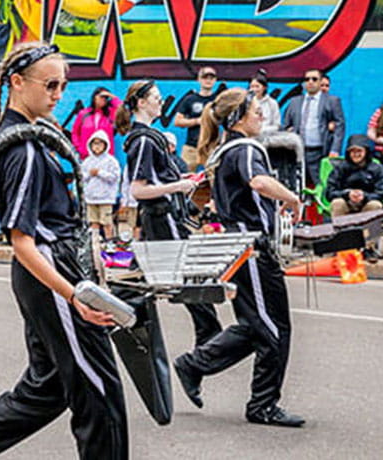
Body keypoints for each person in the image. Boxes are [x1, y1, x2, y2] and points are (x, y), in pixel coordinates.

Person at [0, 41, 127, 460]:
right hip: (51, 272)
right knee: (98, 390)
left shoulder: (33, 137)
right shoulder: (25, 149)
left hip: (55, 269)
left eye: (63, 86)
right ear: (17, 82)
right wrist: (75, 297)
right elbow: (22, 242)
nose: (58, 94)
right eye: (50, 84)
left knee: (49, 387)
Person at [174, 88, 307, 428]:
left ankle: (195, 364)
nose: (261, 115)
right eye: (255, 111)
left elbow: (213, 197)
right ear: (237, 119)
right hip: (251, 249)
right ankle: (261, 404)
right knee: (272, 329)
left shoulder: (224, 151)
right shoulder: (246, 147)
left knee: (257, 326)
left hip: (244, 248)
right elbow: (259, 181)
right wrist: (292, 198)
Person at [118, 81, 221, 346]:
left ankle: (124, 322)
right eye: (156, 97)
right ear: (141, 103)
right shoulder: (143, 140)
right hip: (161, 215)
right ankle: (210, 337)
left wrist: (180, 178)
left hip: (161, 214)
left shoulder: (149, 136)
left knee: (138, 277)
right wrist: (178, 185)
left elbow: (154, 179)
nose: (161, 101)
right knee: (186, 275)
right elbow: (138, 190)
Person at [282, 69, 345, 190]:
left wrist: (335, 149)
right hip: (298, 152)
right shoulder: (294, 102)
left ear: (320, 81)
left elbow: (340, 125)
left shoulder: (332, 101)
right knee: (296, 186)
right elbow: (286, 124)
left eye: (314, 79)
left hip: (321, 151)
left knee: (322, 186)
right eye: (307, 79)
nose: (310, 82)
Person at [172, 66, 219, 172]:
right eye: (205, 77)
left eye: (211, 78)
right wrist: (197, 121)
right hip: (191, 148)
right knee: (185, 177)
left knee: (214, 179)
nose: (208, 80)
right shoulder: (190, 99)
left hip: (211, 147)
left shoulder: (218, 100)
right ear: (198, 79)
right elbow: (177, 121)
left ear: (215, 80)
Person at [328, 135, 383, 219]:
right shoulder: (340, 168)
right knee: (337, 203)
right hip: (346, 202)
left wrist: (364, 196)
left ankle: (370, 232)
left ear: (366, 151)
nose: (356, 154)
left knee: (376, 205)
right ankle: (341, 231)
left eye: (359, 151)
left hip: (367, 203)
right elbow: (330, 192)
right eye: (353, 151)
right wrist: (347, 194)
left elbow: (380, 192)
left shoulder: (377, 169)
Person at [81, 130, 119, 240]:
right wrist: (89, 174)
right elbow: (82, 177)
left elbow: (114, 177)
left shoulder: (111, 161)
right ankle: (95, 242)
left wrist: (100, 173)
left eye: (100, 143)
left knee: (107, 222)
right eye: (94, 143)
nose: (97, 146)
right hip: (91, 198)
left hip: (105, 198)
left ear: (105, 145)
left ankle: (109, 241)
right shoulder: (87, 161)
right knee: (93, 222)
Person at [72, 86, 120, 160]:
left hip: (106, 157)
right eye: (101, 97)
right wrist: (80, 148)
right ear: (95, 97)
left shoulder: (111, 114)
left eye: (106, 98)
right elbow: (75, 132)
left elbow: (122, 110)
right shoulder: (83, 113)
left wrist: (112, 97)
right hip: (86, 156)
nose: (103, 99)